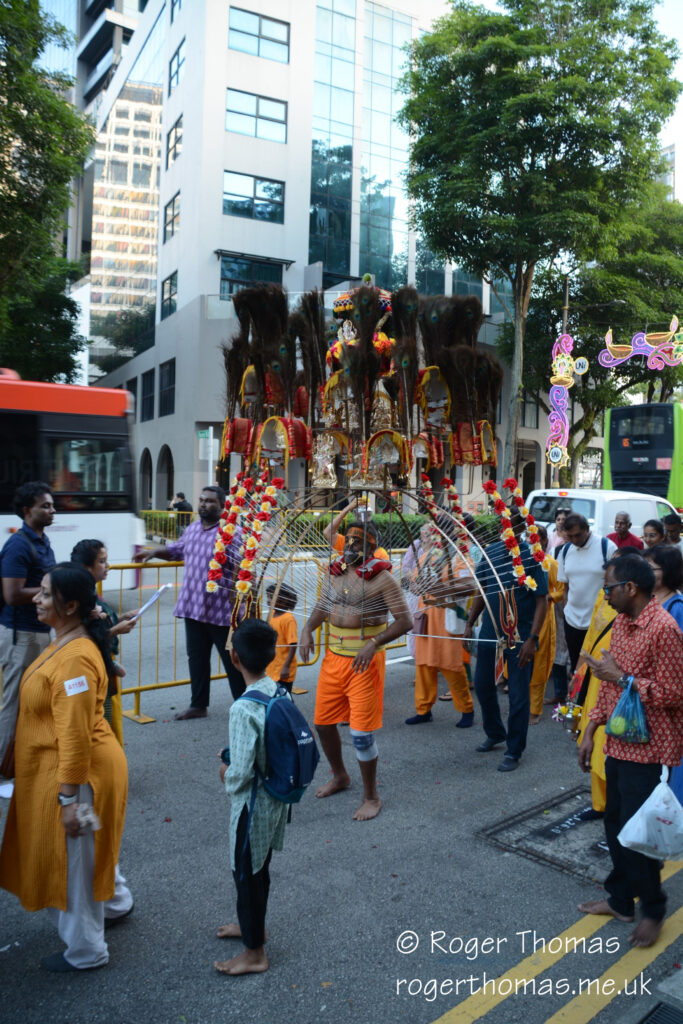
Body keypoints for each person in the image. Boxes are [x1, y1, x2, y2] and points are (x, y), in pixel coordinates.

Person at [0, 563, 133, 971]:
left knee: (72, 863)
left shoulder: (74, 658)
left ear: (71, 605)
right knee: (88, 849)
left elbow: (74, 736)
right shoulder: (67, 639)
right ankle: (115, 901)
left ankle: (87, 951)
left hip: (81, 777)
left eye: (44, 594)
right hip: (77, 773)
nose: (36, 599)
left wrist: (69, 801)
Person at [578, 554, 683, 948]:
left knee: (640, 836)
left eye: (609, 588)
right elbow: (608, 686)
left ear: (631, 589)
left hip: (652, 748)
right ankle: (621, 900)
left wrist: (625, 679)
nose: (604, 595)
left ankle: (654, 909)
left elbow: (675, 693)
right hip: (619, 743)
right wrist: (590, 730)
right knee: (615, 823)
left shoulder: (664, 629)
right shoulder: (621, 623)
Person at [299, 519, 412, 820]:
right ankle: (340, 776)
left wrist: (374, 642)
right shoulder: (335, 572)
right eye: (347, 541)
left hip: (364, 663)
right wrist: (307, 629)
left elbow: (405, 621)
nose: (349, 547)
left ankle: (371, 796)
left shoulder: (382, 578)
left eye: (357, 543)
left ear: (372, 547)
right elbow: (324, 605)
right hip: (333, 660)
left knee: (361, 735)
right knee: (323, 725)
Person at [214, 618, 288, 976]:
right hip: (275, 800)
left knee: (245, 871)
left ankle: (254, 953)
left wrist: (226, 772)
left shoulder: (242, 707)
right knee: (259, 868)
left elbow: (240, 775)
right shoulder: (279, 690)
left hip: (251, 806)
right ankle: (252, 927)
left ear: (234, 658)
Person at [134, 485, 245, 719]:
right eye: (202, 500)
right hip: (193, 608)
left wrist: (240, 606)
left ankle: (245, 706)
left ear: (222, 506)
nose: (204, 504)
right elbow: (176, 550)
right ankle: (198, 705)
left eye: (210, 501)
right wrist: (152, 553)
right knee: (196, 659)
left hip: (222, 612)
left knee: (233, 662)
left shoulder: (231, 533)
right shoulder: (193, 529)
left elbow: (242, 571)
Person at [465, 505, 549, 772]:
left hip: (520, 636)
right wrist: (469, 623)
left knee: (518, 695)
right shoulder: (490, 552)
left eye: (512, 522)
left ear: (524, 527)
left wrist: (532, 639)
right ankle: (495, 733)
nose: (507, 526)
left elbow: (542, 601)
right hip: (490, 633)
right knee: (482, 685)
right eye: (503, 521)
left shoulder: (533, 556)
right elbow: (482, 590)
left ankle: (514, 749)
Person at [574, 545, 644, 821]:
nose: (606, 590)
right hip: (596, 681)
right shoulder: (604, 599)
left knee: (615, 741)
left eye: (610, 583)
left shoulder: (641, 611)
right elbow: (591, 634)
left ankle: (618, 805)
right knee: (591, 733)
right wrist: (579, 672)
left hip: (624, 687)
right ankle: (599, 803)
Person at [0, 481, 56, 773]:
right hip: (20, 635)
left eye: (51, 505)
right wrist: (51, 592)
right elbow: (11, 594)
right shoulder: (19, 545)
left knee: (34, 701)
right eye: (44, 506)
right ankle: (3, 769)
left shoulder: (41, 540)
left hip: (39, 632)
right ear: (26, 511)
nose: (52, 510)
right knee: (14, 703)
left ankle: (23, 761)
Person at [405, 516, 474, 727]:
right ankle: (423, 710)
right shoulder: (428, 554)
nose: (438, 534)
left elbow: (470, 586)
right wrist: (415, 586)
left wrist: (441, 590)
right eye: (437, 530)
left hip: (447, 620)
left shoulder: (459, 556)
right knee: (424, 665)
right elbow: (415, 581)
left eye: (443, 530)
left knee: (452, 666)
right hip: (425, 618)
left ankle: (466, 709)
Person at [71, 539, 140, 746]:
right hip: (94, 668)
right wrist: (115, 630)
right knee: (100, 721)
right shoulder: (80, 598)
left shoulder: (91, 591)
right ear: (86, 568)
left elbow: (97, 628)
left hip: (105, 666)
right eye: (102, 561)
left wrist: (119, 619)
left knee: (108, 717)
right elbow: (84, 639)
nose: (108, 566)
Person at [557, 513, 617, 672]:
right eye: (570, 536)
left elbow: (617, 584)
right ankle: (575, 697)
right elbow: (566, 586)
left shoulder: (607, 547)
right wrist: (566, 609)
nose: (575, 540)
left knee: (596, 670)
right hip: (572, 621)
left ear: (587, 530)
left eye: (577, 535)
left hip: (599, 622)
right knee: (576, 669)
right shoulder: (566, 550)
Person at [529, 525, 562, 722]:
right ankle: (522, 705)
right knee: (522, 664)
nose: (530, 541)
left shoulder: (550, 563)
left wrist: (547, 597)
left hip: (542, 619)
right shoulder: (521, 561)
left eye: (534, 538)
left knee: (539, 663)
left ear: (543, 540)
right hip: (523, 617)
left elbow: (561, 589)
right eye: (528, 537)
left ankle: (535, 710)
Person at [265, 582, 305, 695]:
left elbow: (293, 644)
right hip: (272, 666)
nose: (268, 600)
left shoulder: (288, 619)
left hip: (283, 668)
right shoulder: (272, 613)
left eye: (271, 597)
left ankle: (289, 713)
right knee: (274, 697)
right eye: (268, 597)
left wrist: (286, 667)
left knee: (284, 698)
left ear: (283, 600)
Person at [643, 543, 683, 629]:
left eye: (649, 568)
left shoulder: (678, 607)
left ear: (668, 571)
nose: (643, 572)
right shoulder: (648, 599)